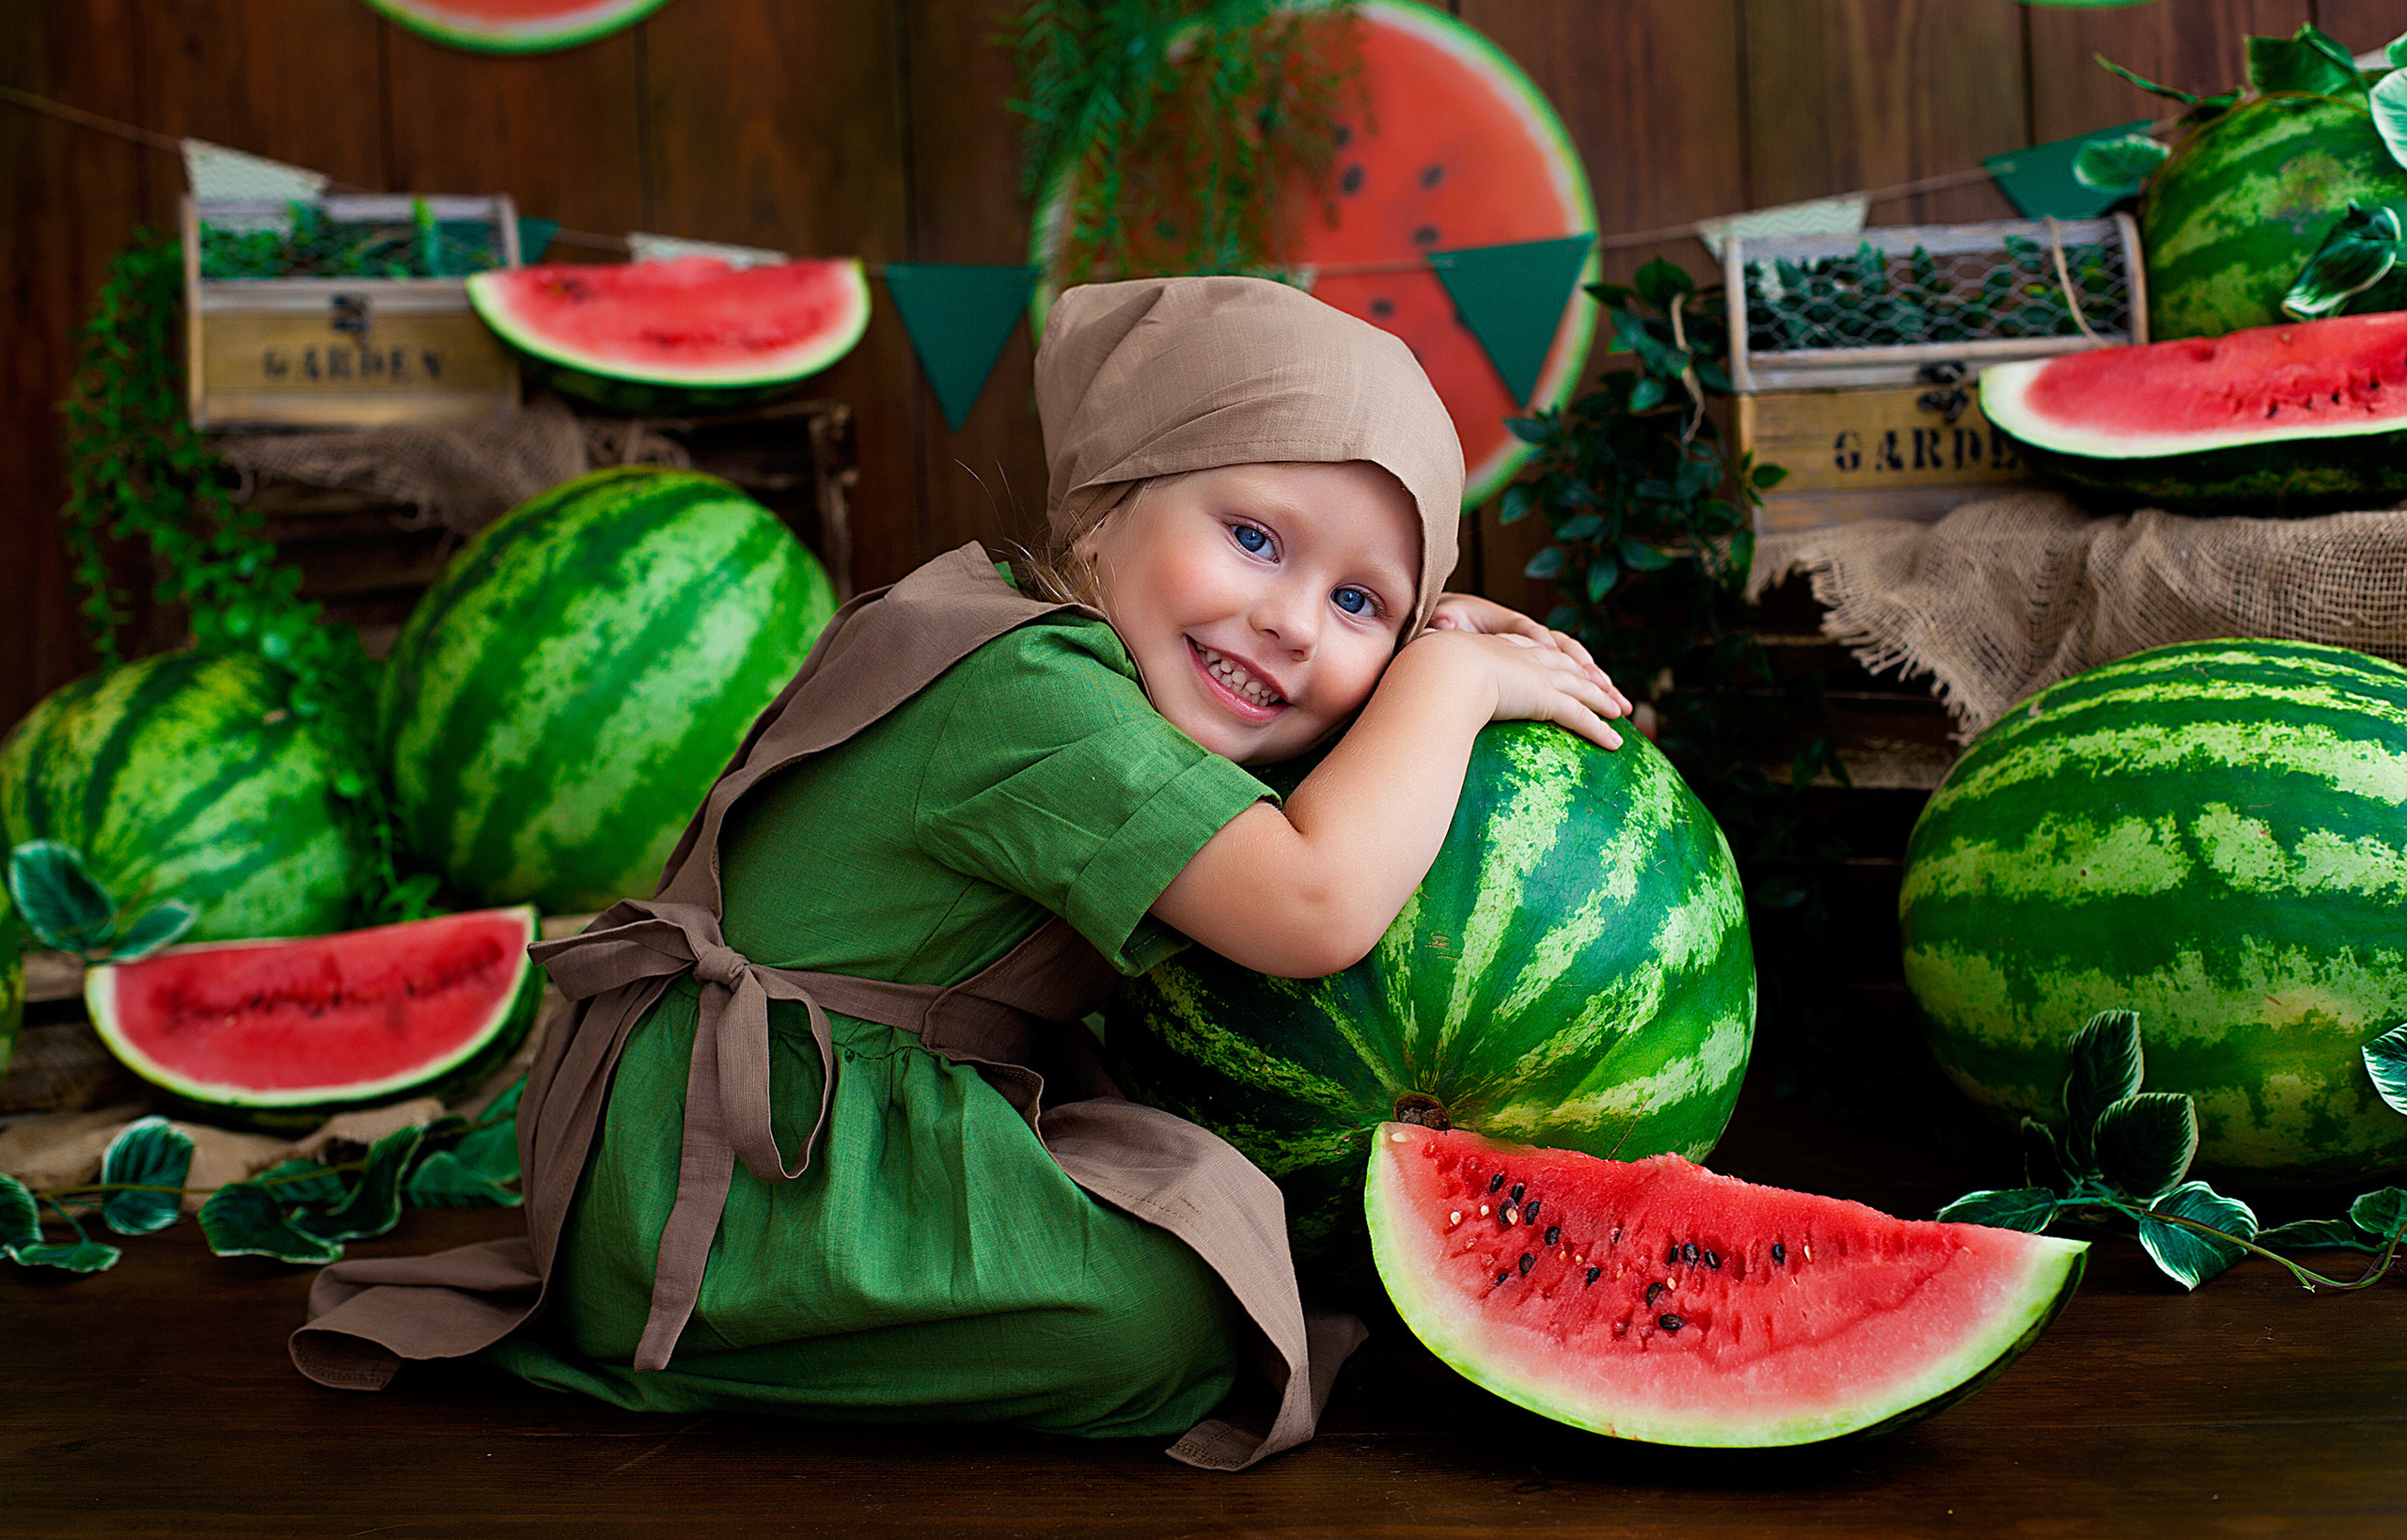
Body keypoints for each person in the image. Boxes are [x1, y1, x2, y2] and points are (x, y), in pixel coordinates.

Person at [290, 275, 1628, 1470]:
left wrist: (1425, 673)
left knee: (1224, 1216)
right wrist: (1446, 686)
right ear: (1104, 512)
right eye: (1258, 539)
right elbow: (1312, 904)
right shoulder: (1038, 702)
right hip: (732, 1187)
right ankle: (710, 1342)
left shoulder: (1040, 643)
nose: (1287, 620)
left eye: (1361, 605)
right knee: (1184, 1321)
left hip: (773, 1127)